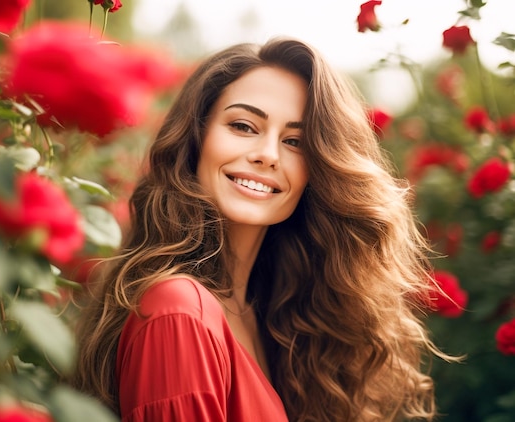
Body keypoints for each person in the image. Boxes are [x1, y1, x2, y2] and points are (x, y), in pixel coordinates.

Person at [72, 37, 447, 421]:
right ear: (196, 138)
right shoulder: (179, 313)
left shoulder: (274, 317)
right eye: (243, 125)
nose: (267, 154)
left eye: (294, 141)